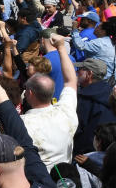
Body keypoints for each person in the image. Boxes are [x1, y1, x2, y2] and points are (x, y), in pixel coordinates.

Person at [21, 34, 79, 170]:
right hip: (65, 177)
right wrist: (61, 48)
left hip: (40, 182)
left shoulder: (23, 123)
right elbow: (71, 81)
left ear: (29, 94)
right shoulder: (66, 112)